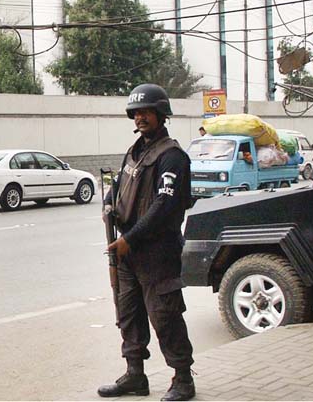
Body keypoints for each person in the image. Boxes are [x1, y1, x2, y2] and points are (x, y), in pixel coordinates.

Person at [98, 84, 195, 401]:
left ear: (161, 114)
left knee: (165, 316)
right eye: (136, 112)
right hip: (127, 251)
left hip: (157, 253)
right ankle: (135, 376)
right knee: (129, 315)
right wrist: (108, 206)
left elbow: (164, 206)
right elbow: (119, 187)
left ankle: (183, 379)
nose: (140, 117)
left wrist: (131, 238)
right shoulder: (135, 151)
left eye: (146, 112)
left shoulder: (172, 157)